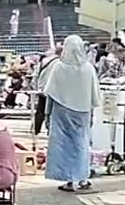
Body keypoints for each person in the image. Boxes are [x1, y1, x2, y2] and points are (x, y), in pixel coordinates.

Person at [43, 34, 100, 192]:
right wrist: (92, 113)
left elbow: (51, 93)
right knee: (81, 143)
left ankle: (68, 180)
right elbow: (94, 94)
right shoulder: (88, 68)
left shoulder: (59, 67)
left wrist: (47, 115)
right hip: (83, 111)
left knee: (62, 145)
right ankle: (83, 179)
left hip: (61, 111)